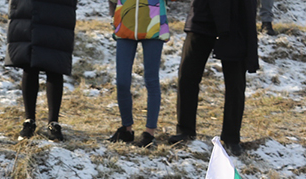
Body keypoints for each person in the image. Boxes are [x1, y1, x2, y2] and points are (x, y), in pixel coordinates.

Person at [168, 0, 258, 156]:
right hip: (203, 15)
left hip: (236, 18)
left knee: (235, 84)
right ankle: (185, 129)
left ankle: (231, 137)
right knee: (187, 75)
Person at [7, 0, 74, 141]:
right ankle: (29, 120)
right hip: (30, 7)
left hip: (58, 10)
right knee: (30, 63)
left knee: (55, 63)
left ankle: (53, 123)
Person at [107, 0, 168, 148]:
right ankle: (126, 129)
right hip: (125, 24)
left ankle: (149, 132)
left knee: (151, 80)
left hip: (153, 24)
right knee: (122, 81)